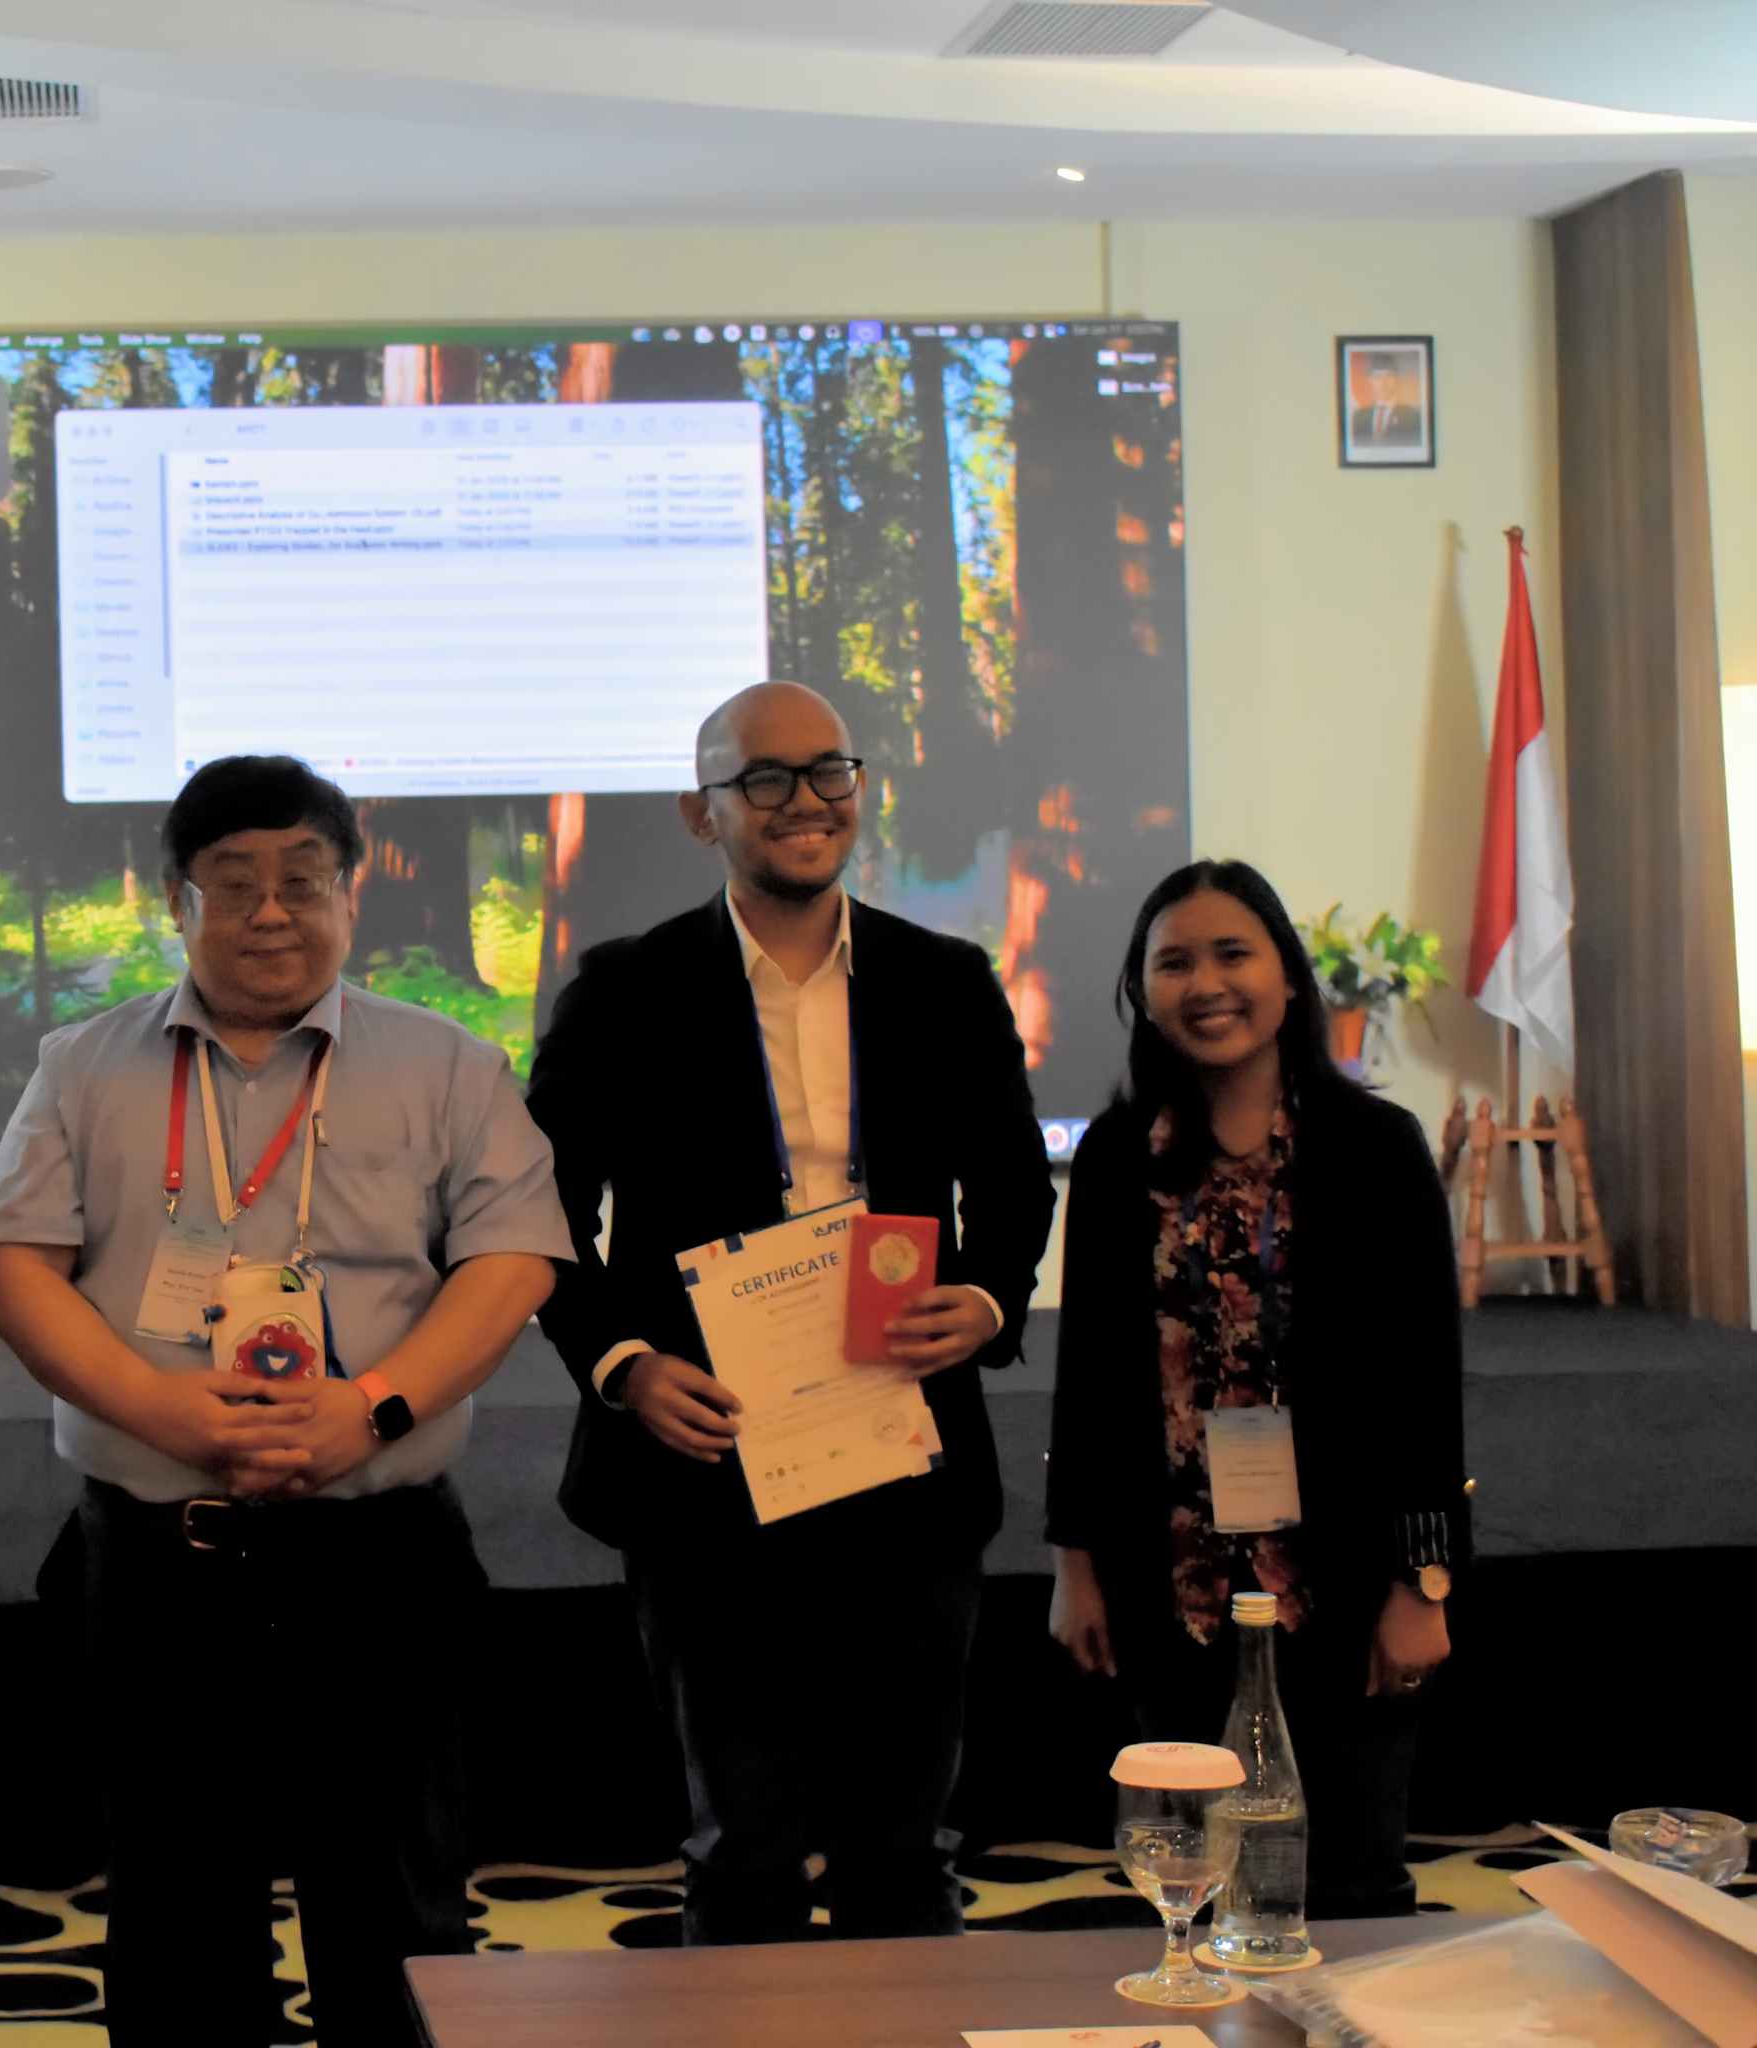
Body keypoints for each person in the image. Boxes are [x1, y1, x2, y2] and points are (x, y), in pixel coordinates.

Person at [0, 754, 571, 2047]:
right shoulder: (81, 1066)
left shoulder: (448, 1062)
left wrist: (375, 1407)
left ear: (351, 892)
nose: (270, 913)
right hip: (161, 1558)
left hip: (378, 1556)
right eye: (232, 882)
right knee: (177, 1920)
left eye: (304, 879)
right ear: (173, 899)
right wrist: (163, 1411)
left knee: (396, 1919)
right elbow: (16, 1270)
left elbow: (514, 1259)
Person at [526, 682, 1056, 1945]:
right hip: (707, 1455)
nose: (803, 799)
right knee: (745, 1849)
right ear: (702, 812)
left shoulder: (945, 979)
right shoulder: (625, 989)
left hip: (905, 1441)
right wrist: (623, 1362)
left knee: (902, 1849)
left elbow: (1016, 1186)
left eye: (829, 771)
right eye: (763, 777)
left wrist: (987, 1297)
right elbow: (536, 1210)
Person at [1045, 858, 1463, 1919]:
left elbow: (1425, 1386)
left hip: (1346, 1579)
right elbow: (1087, 1376)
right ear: (1143, 990)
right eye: (1173, 962)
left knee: (1352, 1884)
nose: (1206, 984)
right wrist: (1073, 1563)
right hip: (1167, 1581)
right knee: (1187, 1885)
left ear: (1286, 975)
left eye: (1233, 953)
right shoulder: (1115, 1156)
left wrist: (1423, 1586)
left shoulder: (1376, 1148)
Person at [1348, 361, 1424, 450]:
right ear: (1370, 380)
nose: (1383, 383)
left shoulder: (1412, 416)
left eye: (1389, 376)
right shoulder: (1359, 416)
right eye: (1378, 377)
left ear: (1396, 379)